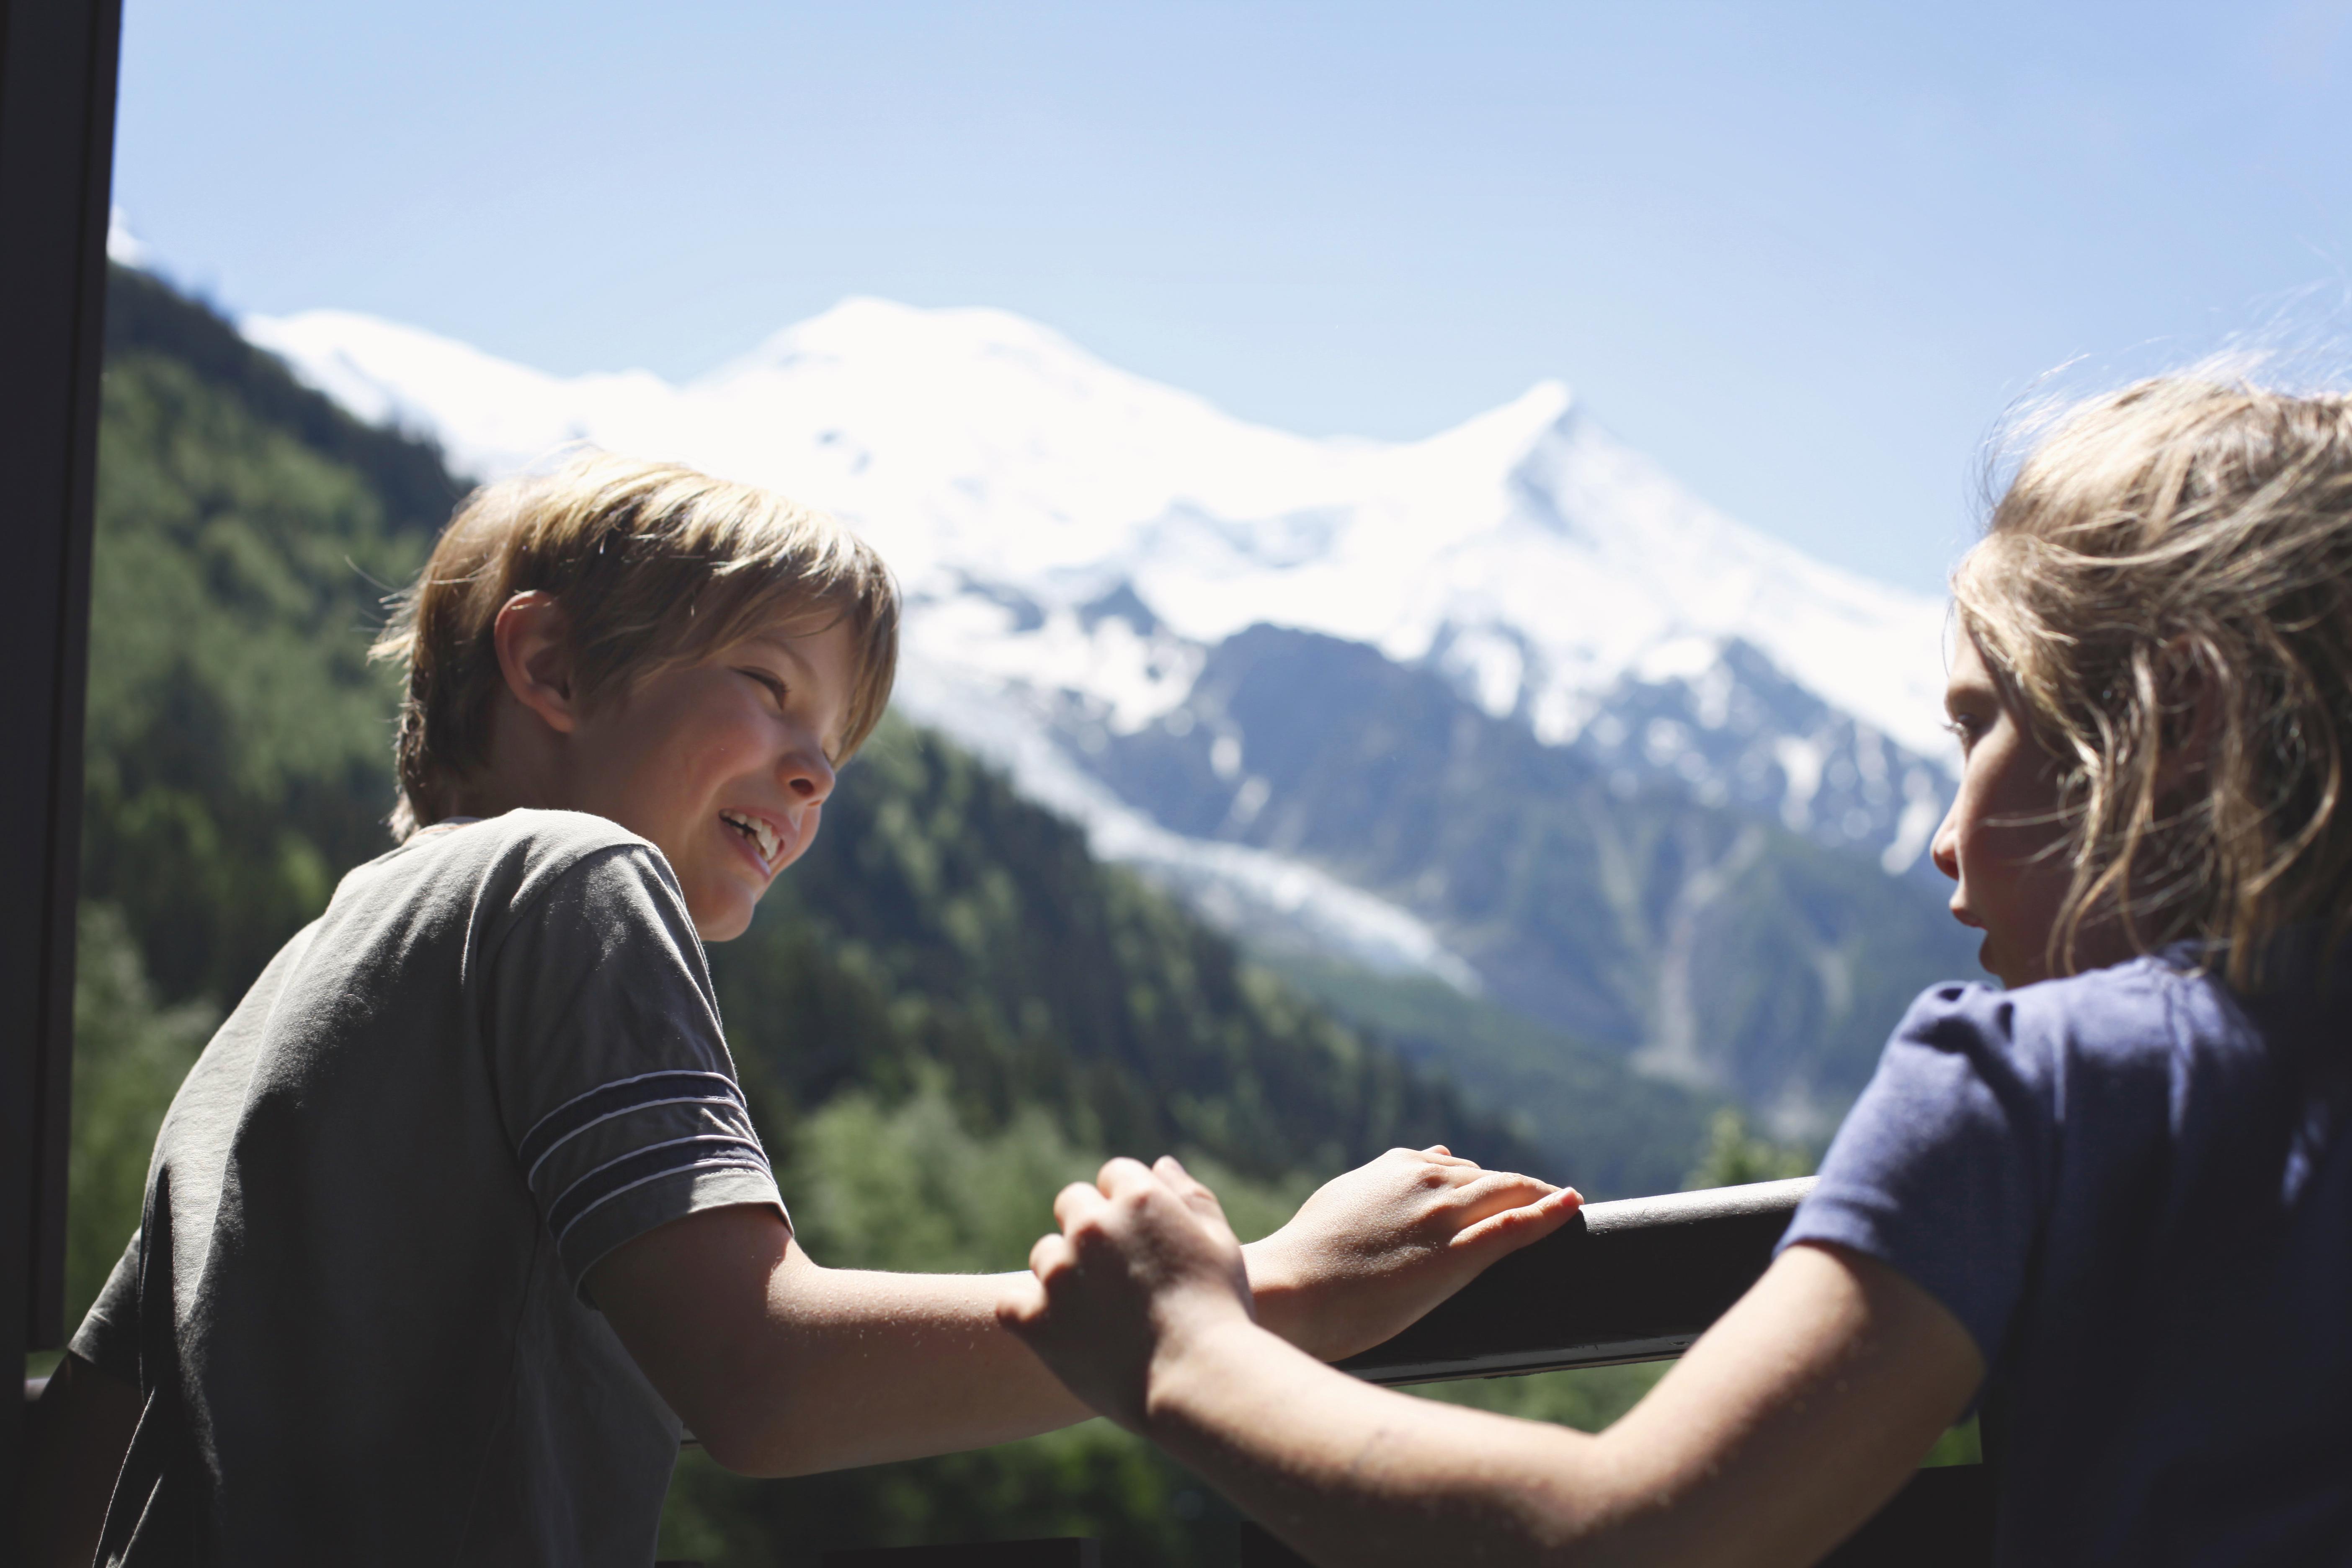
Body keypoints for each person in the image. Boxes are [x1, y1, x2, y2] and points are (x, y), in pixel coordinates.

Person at [26, 452, 1573, 1566]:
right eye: (771, 686)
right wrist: (1245, 1303)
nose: (817, 769)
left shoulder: (289, 995)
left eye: (835, 740)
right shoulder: (575, 879)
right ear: (551, 666)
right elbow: (762, 1381)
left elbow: (73, 1466)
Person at [1001, 376, 2352, 1566]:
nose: (1941, 840)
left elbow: (1633, 1536)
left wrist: (1189, 1348)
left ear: (2177, 718)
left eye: (1980, 728)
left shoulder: (2035, 1090)